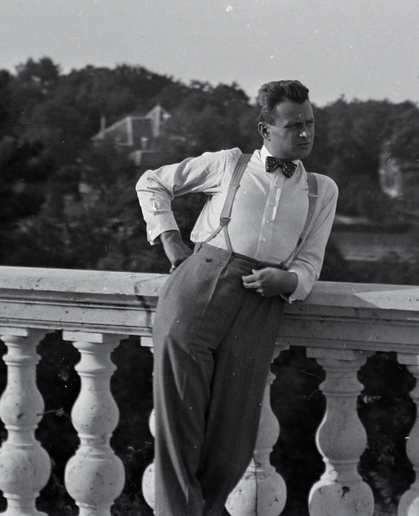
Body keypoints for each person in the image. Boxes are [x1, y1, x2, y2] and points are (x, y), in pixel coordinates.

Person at [135, 79, 339, 516]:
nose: (305, 134)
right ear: (265, 130)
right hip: (199, 287)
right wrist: (171, 240)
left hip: (262, 304)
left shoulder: (322, 190)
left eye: (310, 124)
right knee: (179, 424)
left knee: (233, 442)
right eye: (293, 126)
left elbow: (310, 264)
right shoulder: (231, 164)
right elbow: (152, 183)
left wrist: (286, 283)